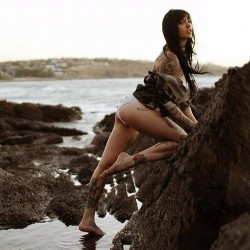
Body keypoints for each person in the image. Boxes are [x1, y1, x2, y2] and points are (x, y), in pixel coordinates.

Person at [79, 9, 204, 236]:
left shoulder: (176, 55)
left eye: (189, 21)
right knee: (183, 140)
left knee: (104, 165)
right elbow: (168, 103)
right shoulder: (171, 59)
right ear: (171, 28)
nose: (188, 25)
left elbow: (181, 102)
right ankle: (130, 161)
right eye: (182, 22)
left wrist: (198, 126)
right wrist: (193, 128)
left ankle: (87, 220)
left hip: (129, 107)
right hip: (138, 107)